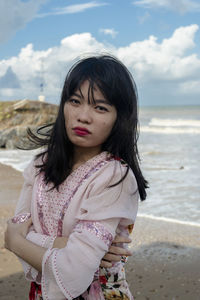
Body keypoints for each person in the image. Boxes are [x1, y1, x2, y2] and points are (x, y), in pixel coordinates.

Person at [4, 55, 148, 300]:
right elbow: (17, 229)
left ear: (119, 118)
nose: (83, 116)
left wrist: (17, 242)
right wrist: (65, 244)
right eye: (75, 101)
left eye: (100, 107)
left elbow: (73, 270)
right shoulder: (41, 163)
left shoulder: (115, 176)